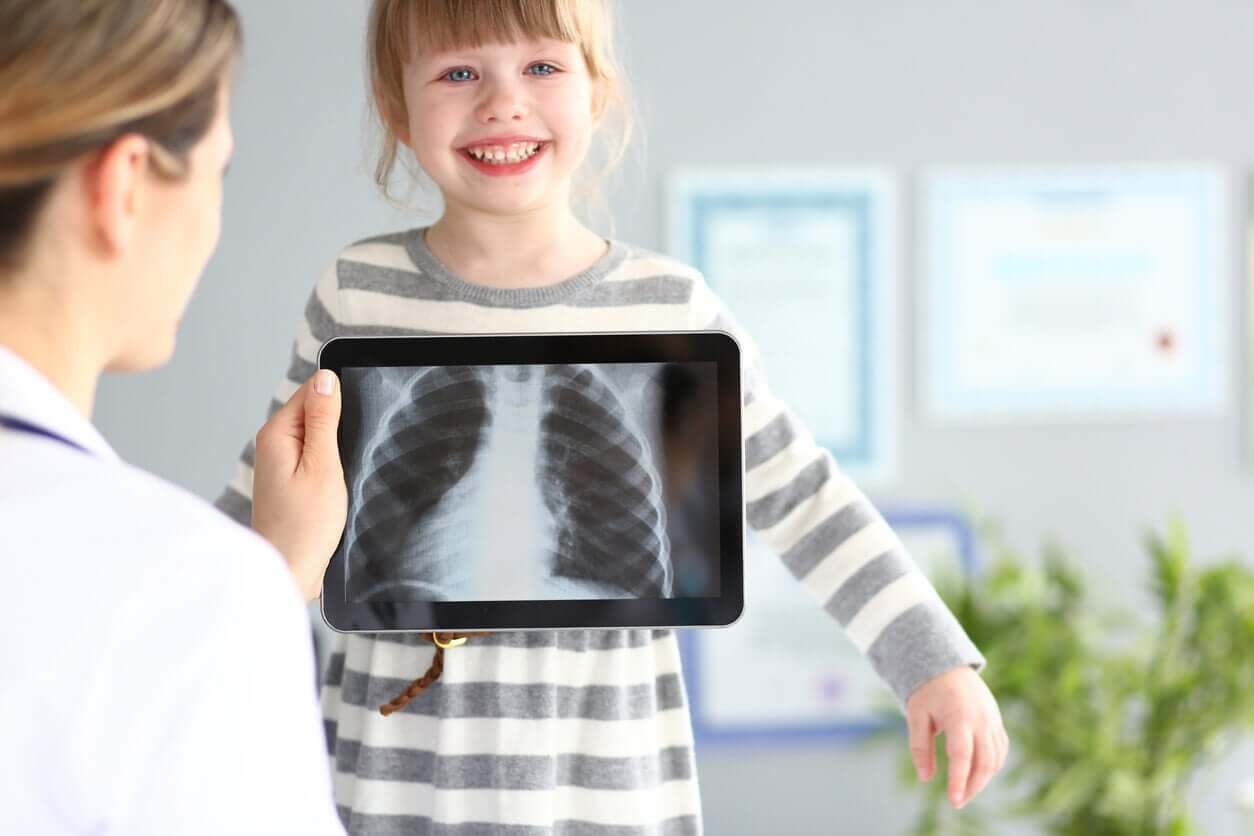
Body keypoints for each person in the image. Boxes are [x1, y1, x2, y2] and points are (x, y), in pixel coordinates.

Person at [214, 1, 1009, 832]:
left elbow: (801, 493)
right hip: (393, 781)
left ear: (598, 93)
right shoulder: (357, 292)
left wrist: (931, 661)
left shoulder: (669, 307)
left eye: (542, 68)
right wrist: (169, 630)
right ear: (394, 107)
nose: (502, 103)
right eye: (458, 73)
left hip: (604, 779)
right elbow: (267, 493)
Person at [0, 1, 348, 832]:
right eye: (217, 172)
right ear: (123, 186)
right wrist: (252, 596)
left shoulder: (201, 597)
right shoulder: (192, 596)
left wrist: (264, 587)